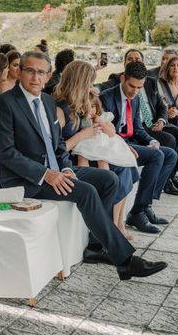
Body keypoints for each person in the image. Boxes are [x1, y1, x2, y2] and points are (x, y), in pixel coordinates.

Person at [0, 51, 167, 279]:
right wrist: (47, 174)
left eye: (41, 72)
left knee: (109, 180)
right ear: (20, 71)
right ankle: (125, 261)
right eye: (30, 71)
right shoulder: (4, 104)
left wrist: (66, 169)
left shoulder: (46, 101)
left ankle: (95, 247)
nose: (35, 77)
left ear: (48, 75)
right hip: (27, 179)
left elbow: (57, 146)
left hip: (56, 170)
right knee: (86, 192)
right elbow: (6, 153)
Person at [54, 60, 136, 241]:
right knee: (117, 172)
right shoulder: (61, 109)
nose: (91, 87)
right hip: (69, 159)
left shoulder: (82, 102)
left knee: (127, 166)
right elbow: (56, 150)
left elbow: (99, 130)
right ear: (79, 82)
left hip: (85, 151)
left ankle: (116, 224)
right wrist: (83, 135)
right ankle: (107, 231)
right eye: (89, 83)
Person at [100, 49, 178, 195]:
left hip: (150, 125)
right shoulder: (114, 87)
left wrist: (159, 127)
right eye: (130, 59)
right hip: (127, 136)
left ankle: (161, 185)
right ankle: (142, 205)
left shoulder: (148, 83)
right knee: (164, 146)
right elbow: (102, 87)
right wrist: (92, 89)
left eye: (139, 88)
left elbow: (159, 107)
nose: (135, 91)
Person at [100, 61, 177, 234]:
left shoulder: (134, 99)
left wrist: (151, 141)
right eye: (132, 86)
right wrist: (124, 147)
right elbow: (104, 134)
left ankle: (145, 204)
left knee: (169, 154)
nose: (135, 91)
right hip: (113, 147)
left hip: (130, 143)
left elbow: (137, 128)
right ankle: (138, 211)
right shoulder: (106, 98)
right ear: (122, 79)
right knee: (156, 157)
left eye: (139, 87)